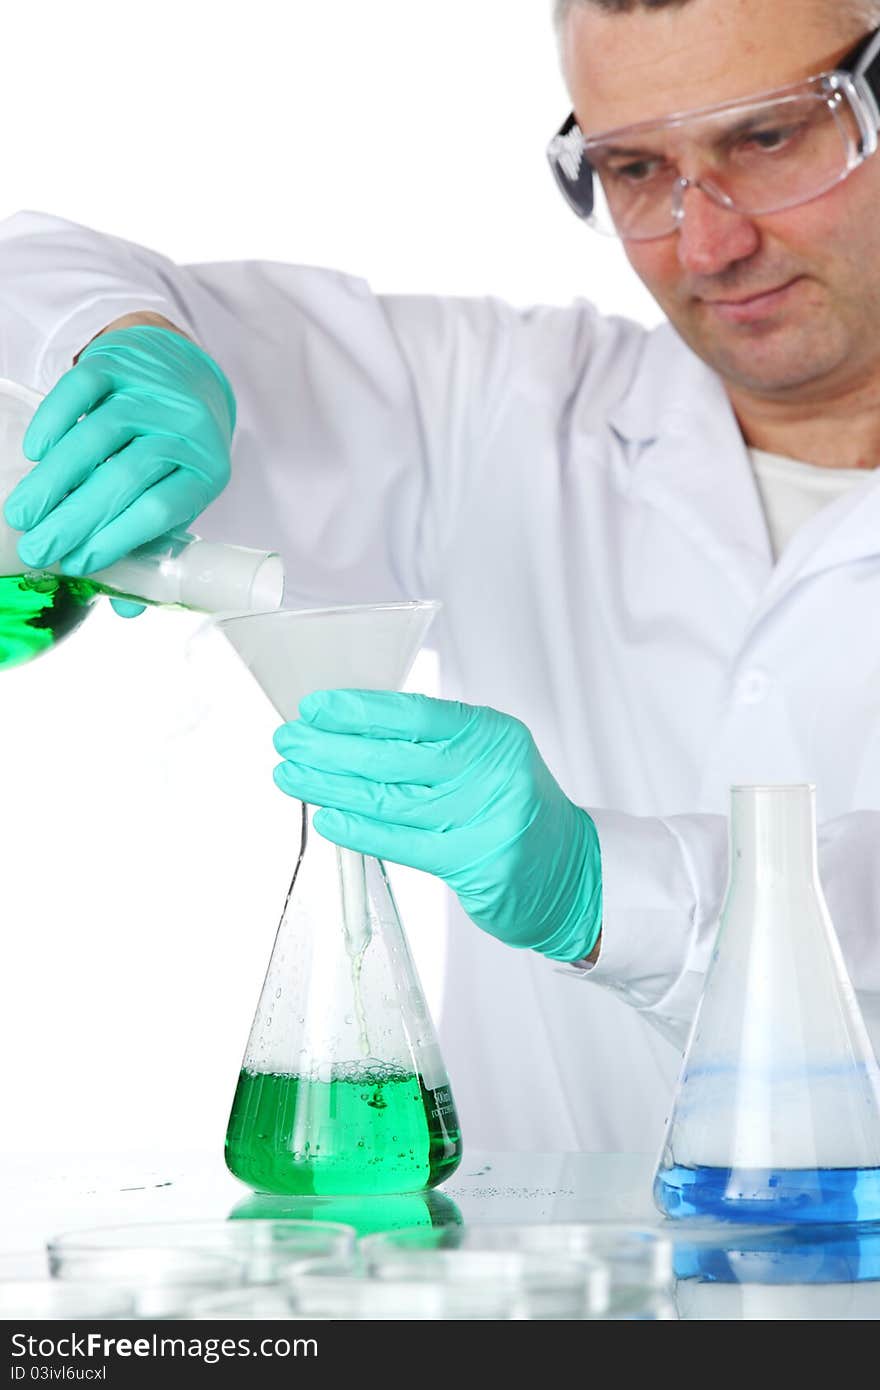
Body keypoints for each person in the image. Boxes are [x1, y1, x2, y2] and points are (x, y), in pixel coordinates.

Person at [1, 0, 879, 1154]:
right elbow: (34, 275)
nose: (706, 241)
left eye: (767, 138)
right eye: (630, 165)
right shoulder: (508, 406)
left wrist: (601, 885)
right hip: (547, 1310)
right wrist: (120, 344)